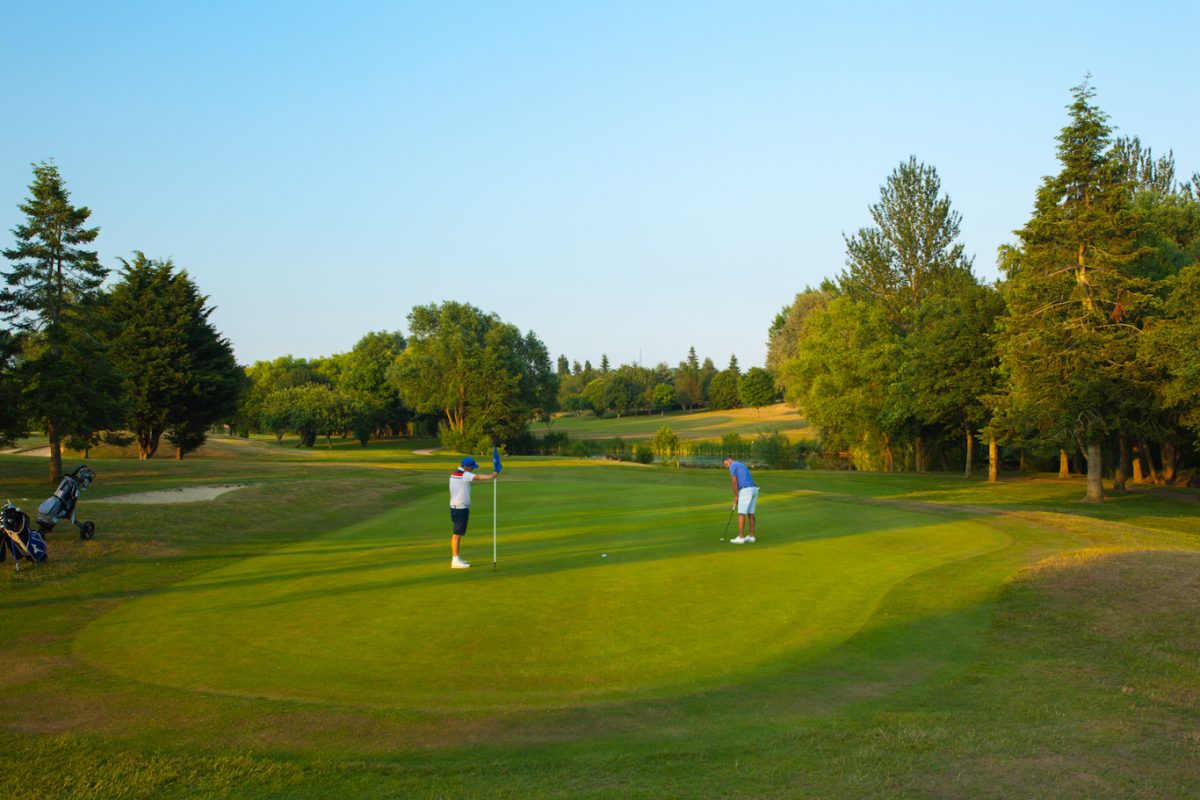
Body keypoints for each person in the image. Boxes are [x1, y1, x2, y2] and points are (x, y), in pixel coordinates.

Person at [449, 456, 498, 569]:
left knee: (458, 534)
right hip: (460, 508)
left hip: (456, 507)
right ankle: (455, 560)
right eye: (472, 467)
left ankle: (457, 558)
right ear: (466, 467)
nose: (473, 469)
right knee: (457, 534)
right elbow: (478, 477)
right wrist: (492, 476)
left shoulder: (454, 473)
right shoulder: (464, 475)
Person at [722, 456, 758, 544]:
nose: (727, 467)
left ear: (729, 460)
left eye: (726, 464)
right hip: (754, 489)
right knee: (750, 514)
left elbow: (734, 481)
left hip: (745, 490)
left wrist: (736, 496)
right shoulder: (741, 464)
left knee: (741, 514)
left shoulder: (733, 465)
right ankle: (751, 536)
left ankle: (741, 537)